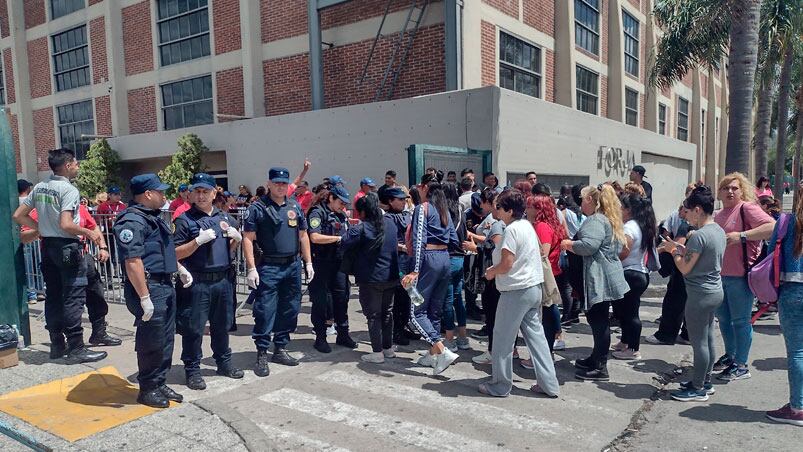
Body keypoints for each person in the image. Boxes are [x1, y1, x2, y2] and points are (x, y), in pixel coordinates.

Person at [12, 149, 107, 364]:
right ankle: (76, 348)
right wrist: (89, 233)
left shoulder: (40, 187)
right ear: (67, 165)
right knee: (74, 297)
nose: (78, 166)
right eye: (75, 163)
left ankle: (57, 344)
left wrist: (40, 229)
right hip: (67, 247)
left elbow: (19, 215)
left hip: (48, 247)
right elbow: (66, 224)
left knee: (53, 296)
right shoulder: (68, 189)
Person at [113, 173, 192, 407]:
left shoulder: (153, 217)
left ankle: (159, 381)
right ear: (147, 194)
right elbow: (133, 261)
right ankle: (147, 388)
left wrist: (179, 268)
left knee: (166, 337)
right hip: (149, 286)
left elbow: (162, 252)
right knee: (151, 340)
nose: (164, 195)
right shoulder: (132, 221)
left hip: (164, 283)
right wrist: (144, 297)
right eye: (160, 191)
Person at [478, 189, 560, 398]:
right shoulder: (526, 226)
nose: (496, 211)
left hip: (516, 291)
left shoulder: (512, 230)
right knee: (537, 339)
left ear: (508, 210)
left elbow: (506, 263)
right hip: (533, 289)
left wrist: (490, 272)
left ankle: (500, 384)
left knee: (502, 341)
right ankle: (549, 385)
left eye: (499, 207)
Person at [173, 173, 245, 391]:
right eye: (198, 191)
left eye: (206, 191)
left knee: (222, 325)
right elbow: (174, 253)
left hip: (222, 281)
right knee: (194, 329)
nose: (201, 195)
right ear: (192, 193)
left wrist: (237, 240)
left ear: (215, 193)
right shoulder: (184, 220)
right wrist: (196, 241)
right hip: (198, 282)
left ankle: (223, 362)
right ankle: (193, 369)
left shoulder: (225, 218)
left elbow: (228, 249)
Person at [242, 167, 314, 377]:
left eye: (284, 183)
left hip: (292, 266)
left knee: (290, 308)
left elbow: (303, 235)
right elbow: (248, 238)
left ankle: (280, 347)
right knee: (265, 310)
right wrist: (251, 268)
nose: (280, 186)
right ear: (269, 184)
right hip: (269, 267)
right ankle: (262, 352)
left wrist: (308, 263)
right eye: (277, 183)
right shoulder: (258, 207)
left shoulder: (294, 206)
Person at [22, 204, 123, 347]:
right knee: (60, 299)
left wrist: (102, 247)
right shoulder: (42, 210)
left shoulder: (79, 208)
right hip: (56, 259)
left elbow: (93, 227)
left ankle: (99, 332)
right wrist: (41, 229)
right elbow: (24, 236)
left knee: (96, 293)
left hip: (82, 255)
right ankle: (59, 341)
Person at [662, 185, 726, 401]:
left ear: (697, 209)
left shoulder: (699, 236)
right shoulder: (718, 230)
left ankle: (698, 387)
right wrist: (681, 250)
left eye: (687, 211)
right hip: (714, 290)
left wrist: (673, 253)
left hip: (699, 294)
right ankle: (705, 381)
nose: (685, 215)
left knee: (699, 343)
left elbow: (685, 268)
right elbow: (702, 259)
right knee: (708, 339)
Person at [561, 184, 629, 381]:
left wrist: (569, 244)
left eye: (582, 199)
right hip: (604, 276)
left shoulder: (596, 220)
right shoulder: (606, 219)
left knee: (599, 322)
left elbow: (589, 246)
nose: (580, 203)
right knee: (598, 321)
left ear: (590, 200)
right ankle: (595, 358)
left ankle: (600, 366)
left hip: (598, 278)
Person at [712, 173, 775, 381]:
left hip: (741, 276)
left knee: (740, 321)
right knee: (724, 320)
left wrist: (741, 236)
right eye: (726, 188)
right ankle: (731, 356)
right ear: (719, 191)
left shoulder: (747, 208)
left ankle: (741, 364)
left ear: (742, 191)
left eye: (735, 188)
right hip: (720, 276)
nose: (730, 191)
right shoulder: (719, 214)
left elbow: (771, 228)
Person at [401, 181, 460, 374]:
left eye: (420, 185)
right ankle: (433, 354)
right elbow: (454, 240)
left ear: (426, 189)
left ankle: (441, 350)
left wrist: (415, 270)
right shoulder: (444, 210)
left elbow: (419, 240)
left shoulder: (422, 208)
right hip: (444, 260)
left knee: (416, 312)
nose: (418, 188)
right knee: (434, 311)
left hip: (428, 260)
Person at [341, 193, 400, 363]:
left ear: (363, 212)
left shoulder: (362, 228)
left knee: (373, 315)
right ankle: (388, 348)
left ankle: (377, 352)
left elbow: (344, 242)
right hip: (391, 276)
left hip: (371, 279)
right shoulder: (391, 223)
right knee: (387, 313)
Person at [765, 191, 803, 425]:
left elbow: (771, 255)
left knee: (798, 352)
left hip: (792, 290)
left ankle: (798, 407)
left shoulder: (786, 222)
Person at [307, 185, 356, 353]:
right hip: (321, 263)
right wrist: (338, 239)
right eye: (341, 202)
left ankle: (343, 334)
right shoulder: (316, 213)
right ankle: (320, 337)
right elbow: (314, 237)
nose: (343, 206)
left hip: (339, 263)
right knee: (321, 301)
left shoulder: (341, 215)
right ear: (331, 198)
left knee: (342, 298)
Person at [612, 194, 657, 360]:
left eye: (622, 208)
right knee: (625, 311)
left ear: (629, 210)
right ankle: (624, 342)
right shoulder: (640, 225)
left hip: (631, 273)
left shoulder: (630, 227)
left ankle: (633, 349)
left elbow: (624, 251)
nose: (619, 211)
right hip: (638, 273)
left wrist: (611, 260)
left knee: (631, 314)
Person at [525, 194, 568, 357]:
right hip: (551, 273)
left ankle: (543, 354)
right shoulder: (549, 224)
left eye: (529, 206)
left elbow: (543, 252)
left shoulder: (542, 226)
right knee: (549, 313)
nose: (526, 209)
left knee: (545, 318)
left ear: (538, 209)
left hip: (545, 276)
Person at [465, 188, 503, 364]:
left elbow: (495, 248)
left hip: (493, 275)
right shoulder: (499, 223)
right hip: (494, 274)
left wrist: (475, 247)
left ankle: (493, 352)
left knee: (493, 313)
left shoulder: (497, 224)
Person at [381, 187, 414, 345]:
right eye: (399, 200)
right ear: (390, 201)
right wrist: (402, 247)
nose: (403, 202)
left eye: (404, 199)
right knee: (399, 299)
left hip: (409, 262)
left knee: (409, 298)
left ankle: (404, 326)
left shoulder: (407, 215)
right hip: (397, 264)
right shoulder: (387, 219)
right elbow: (387, 242)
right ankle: (397, 331)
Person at [442, 182, 470, 352]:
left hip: (448, 256)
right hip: (460, 257)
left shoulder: (444, 212)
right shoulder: (460, 210)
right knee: (459, 298)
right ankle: (463, 338)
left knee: (447, 300)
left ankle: (449, 340)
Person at [17, 179, 38, 304]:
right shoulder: (29, 203)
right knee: (34, 265)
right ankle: (35, 292)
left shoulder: (15, 202)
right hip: (33, 233)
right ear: (26, 189)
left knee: (29, 266)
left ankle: (32, 293)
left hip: (25, 234)